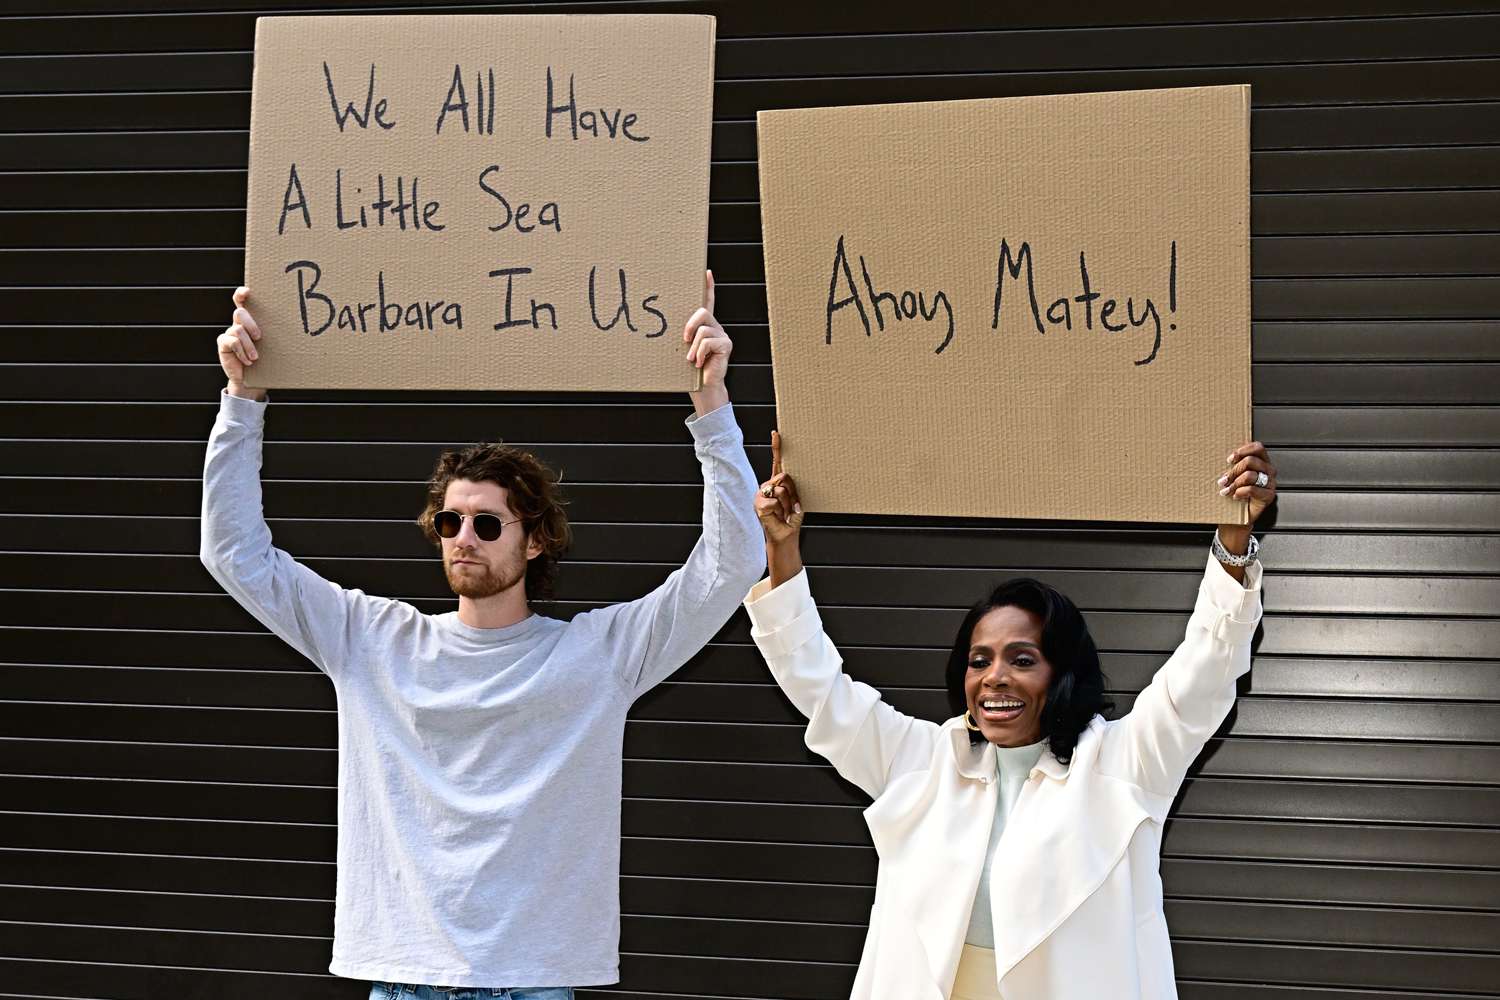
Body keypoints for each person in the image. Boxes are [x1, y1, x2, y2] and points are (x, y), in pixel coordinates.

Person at [200, 274, 765, 997]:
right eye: (450, 522)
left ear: (533, 542)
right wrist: (242, 398)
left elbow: (731, 565)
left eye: (488, 523)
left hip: (533, 980)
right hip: (405, 977)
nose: (464, 538)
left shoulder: (598, 655)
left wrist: (711, 404)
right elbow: (234, 555)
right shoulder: (370, 638)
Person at [745, 432, 1276, 1000]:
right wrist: (782, 549)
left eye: (1023, 659)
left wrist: (1233, 536)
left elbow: (1205, 672)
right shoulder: (921, 761)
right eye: (980, 660)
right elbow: (819, 687)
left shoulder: (1124, 764)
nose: (994, 676)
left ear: (1061, 671)